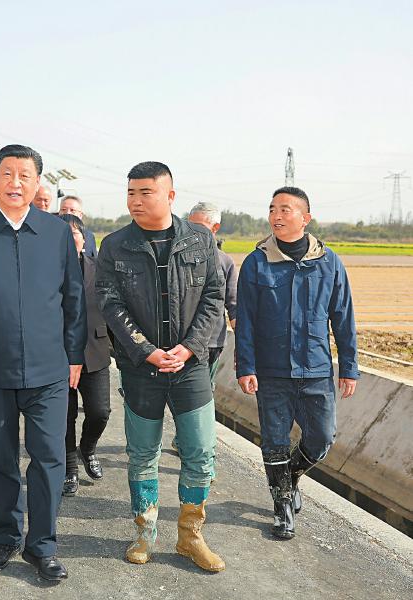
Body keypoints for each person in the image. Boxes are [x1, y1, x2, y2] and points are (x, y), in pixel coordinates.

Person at [0, 144, 86, 582]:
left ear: (37, 183)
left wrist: (75, 355)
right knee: (0, 459)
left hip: (49, 369)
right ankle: (5, 537)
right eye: (7, 174)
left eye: (25, 175)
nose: (16, 183)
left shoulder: (56, 232)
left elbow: (74, 296)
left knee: (48, 459)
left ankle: (42, 546)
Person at [96, 161, 225, 572]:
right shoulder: (115, 245)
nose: (135, 200)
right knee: (142, 453)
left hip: (191, 367)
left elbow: (214, 297)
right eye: (130, 193)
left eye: (145, 192)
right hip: (142, 368)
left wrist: (189, 347)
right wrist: (146, 350)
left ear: (170, 195)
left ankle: (191, 536)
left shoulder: (200, 240)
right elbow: (110, 304)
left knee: (200, 452)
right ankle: (144, 532)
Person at [235, 186, 359, 540]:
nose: (276, 215)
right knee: (274, 440)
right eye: (272, 208)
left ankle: (289, 476)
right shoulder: (257, 262)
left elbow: (344, 318)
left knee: (322, 437)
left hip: (316, 368)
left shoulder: (329, 262)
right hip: (271, 370)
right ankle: (282, 506)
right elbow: (246, 320)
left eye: (285, 209)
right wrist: (246, 366)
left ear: (305, 218)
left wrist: (349, 367)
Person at [57, 213, 111, 497]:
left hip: (95, 351)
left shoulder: (100, 269)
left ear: (84, 239)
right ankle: (70, 469)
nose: (69, 239)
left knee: (100, 411)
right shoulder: (44, 271)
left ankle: (87, 448)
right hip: (57, 355)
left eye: (74, 234)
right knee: (64, 416)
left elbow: (115, 309)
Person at [187, 201, 237, 388]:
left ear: (215, 228)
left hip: (212, 342)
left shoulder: (225, 262)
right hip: (181, 341)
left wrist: (241, 346)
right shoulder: (177, 258)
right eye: (190, 227)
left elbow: (233, 305)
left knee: (205, 390)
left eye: (199, 227)